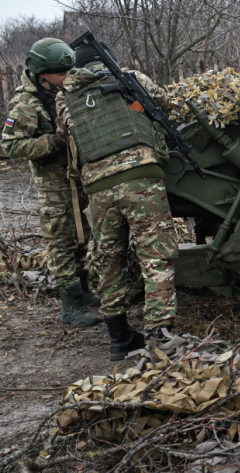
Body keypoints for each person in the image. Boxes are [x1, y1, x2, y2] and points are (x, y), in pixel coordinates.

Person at [55, 41, 178, 361]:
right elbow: (165, 102)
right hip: (141, 178)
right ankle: (161, 335)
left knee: (109, 260)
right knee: (155, 255)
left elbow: (66, 133)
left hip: (97, 188)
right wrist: (134, 107)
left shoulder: (64, 97)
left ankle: (119, 338)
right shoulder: (131, 77)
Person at [0, 38, 100, 327]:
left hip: (77, 179)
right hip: (54, 187)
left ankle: (82, 291)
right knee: (61, 243)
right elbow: (11, 146)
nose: (68, 76)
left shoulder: (62, 90)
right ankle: (69, 305)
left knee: (81, 237)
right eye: (62, 72)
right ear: (43, 74)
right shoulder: (26, 104)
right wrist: (55, 141)